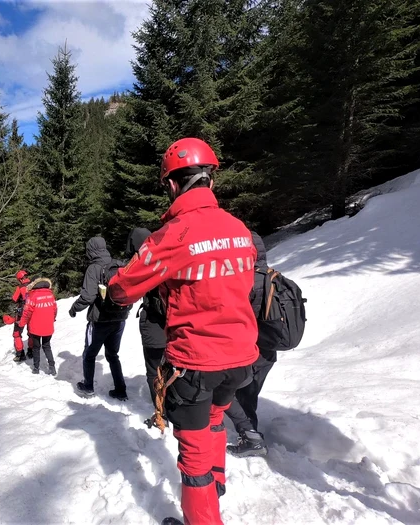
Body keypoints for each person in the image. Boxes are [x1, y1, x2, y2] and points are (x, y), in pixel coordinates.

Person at [108, 137, 259, 525]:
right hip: (241, 357)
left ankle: (203, 516)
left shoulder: (173, 235)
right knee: (214, 422)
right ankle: (216, 485)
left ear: (173, 184)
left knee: (193, 453)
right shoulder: (239, 228)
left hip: (195, 362)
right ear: (210, 178)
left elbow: (123, 288)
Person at [225, 231, 275, 457]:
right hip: (269, 347)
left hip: (250, 349)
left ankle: (251, 439)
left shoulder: (246, 280)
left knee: (237, 391)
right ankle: (251, 434)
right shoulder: (272, 276)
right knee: (249, 393)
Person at [68, 236, 130, 400]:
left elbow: (87, 297)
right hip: (120, 318)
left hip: (99, 320)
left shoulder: (94, 268)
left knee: (89, 354)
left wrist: (74, 308)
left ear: (91, 250)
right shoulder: (118, 264)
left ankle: (88, 387)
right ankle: (120, 389)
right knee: (112, 355)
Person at [126, 228, 167, 426]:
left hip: (154, 326)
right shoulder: (168, 256)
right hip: (176, 326)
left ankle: (161, 414)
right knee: (173, 369)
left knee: (154, 371)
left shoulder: (144, 263)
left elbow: (126, 291)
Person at [19, 277, 58, 376]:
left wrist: (22, 323)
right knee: (47, 346)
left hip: (35, 328)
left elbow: (27, 312)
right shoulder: (50, 295)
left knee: (36, 348)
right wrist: (52, 319)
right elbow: (54, 309)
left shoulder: (32, 296)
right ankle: (52, 367)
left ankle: (36, 368)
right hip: (48, 326)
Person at [12, 270, 34, 362]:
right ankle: (31, 351)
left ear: (20, 279)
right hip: (32, 311)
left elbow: (14, 299)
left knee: (17, 333)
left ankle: (20, 354)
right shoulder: (34, 285)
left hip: (22, 313)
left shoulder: (20, 287)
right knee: (31, 332)